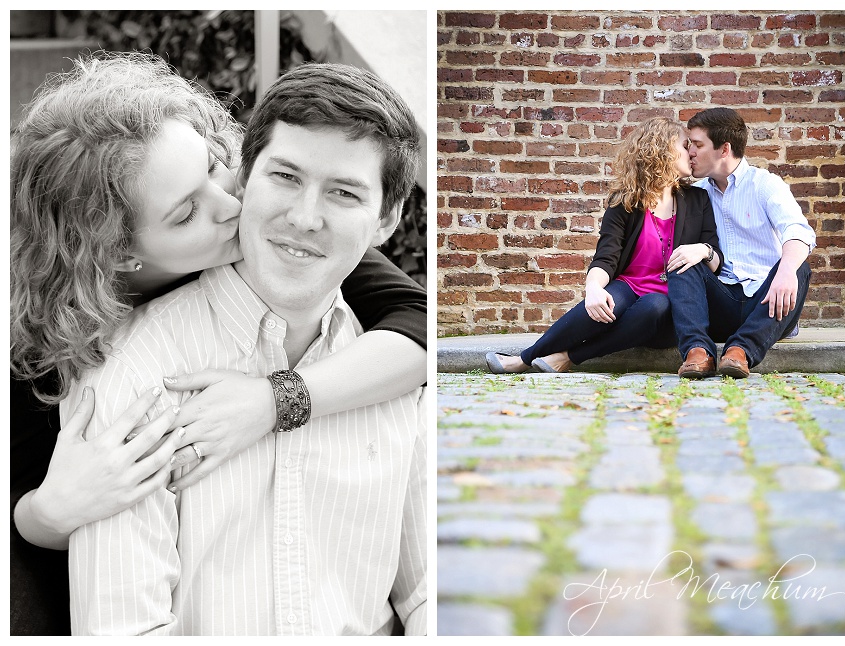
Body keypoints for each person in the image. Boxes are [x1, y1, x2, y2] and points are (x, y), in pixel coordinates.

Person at [9, 53, 426, 636]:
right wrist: (47, 513)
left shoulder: (308, 248)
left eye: (216, 167)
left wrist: (275, 400)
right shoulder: (64, 362)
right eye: (187, 213)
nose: (233, 206)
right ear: (120, 252)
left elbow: (419, 321)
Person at [486, 117, 723, 374]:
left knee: (655, 305)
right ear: (663, 150)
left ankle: (565, 357)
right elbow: (606, 256)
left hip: (672, 304)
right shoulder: (625, 202)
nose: (691, 152)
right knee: (605, 302)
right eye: (685, 145)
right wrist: (593, 288)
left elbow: (715, 259)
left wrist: (703, 250)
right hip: (630, 286)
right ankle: (526, 358)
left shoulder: (698, 200)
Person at [669, 107, 815, 379]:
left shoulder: (764, 185)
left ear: (724, 149)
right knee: (683, 261)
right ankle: (698, 351)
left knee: (798, 266)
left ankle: (740, 351)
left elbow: (798, 230)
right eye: (689, 145)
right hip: (721, 301)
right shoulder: (695, 194)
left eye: (698, 145)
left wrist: (785, 272)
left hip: (767, 303)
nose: (690, 152)